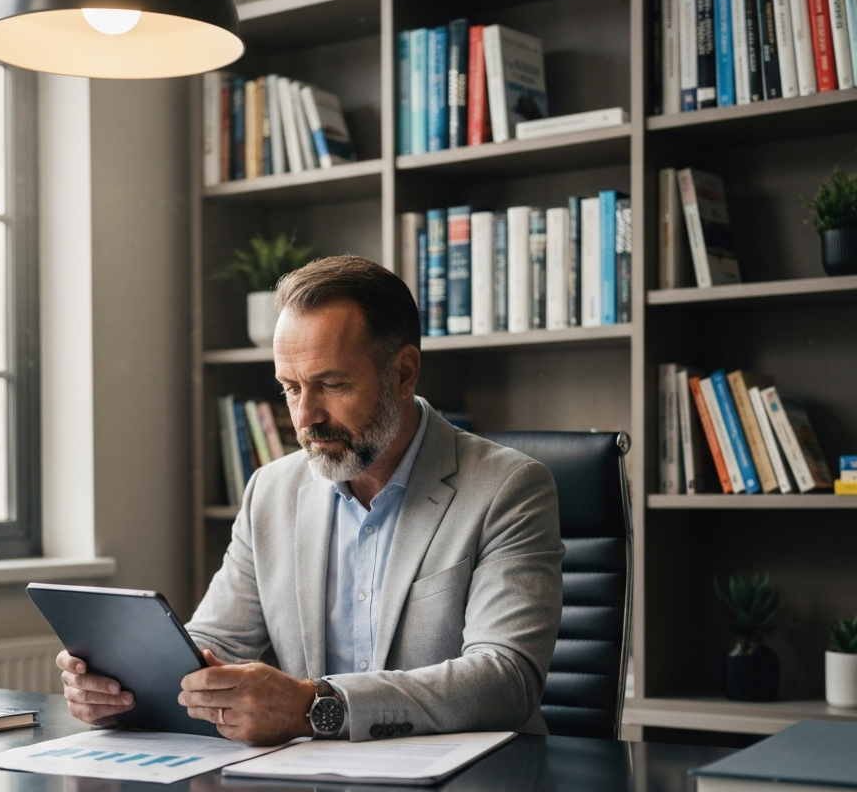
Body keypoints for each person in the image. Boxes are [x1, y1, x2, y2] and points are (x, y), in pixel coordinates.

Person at [57, 255, 563, 744]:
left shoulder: (509, 488)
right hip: (314, 791)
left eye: (331, 385)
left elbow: (505, 679)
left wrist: (313, 705)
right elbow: (217, 646)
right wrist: (126, 685)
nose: (304, 418)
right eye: (290, 388)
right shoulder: (270, 493)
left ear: (404, 373)